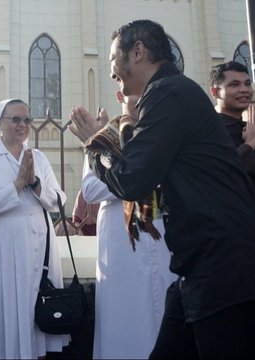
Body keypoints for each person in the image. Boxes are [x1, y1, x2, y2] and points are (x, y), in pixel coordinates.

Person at [69, 19, 255, 359]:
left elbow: (132, 180)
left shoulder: (167, 93)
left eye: (113, 60)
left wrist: (96, 143)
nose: (111, 73)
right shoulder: (174, 92)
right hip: (202, 267)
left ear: (138, 52)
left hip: (225, 272)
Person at [0, 99, 70, 359]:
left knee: (34, 306)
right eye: (16, 119)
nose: (23, 125)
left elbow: (59, 199)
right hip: (1, 242)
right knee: (2, 310)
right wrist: (16, 186)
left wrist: (34, 184)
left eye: (27, 120)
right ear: (0, 123)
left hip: (38, 241)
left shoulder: (39, 158)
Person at [83, 96, 176, 359]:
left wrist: (136, 176)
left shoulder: (161, 133)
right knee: (125, 316)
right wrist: (135, 178)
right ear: (121, 95)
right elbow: (90, 189)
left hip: (159, 230)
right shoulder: (105, 136)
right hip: (120, 241)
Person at [209, 61, 255, 243]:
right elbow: (219, 178)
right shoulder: (208, 134)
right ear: (215, 92)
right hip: (233, 240)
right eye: (234, 84)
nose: (244, 90)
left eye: (247, 84)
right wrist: (249, 145)